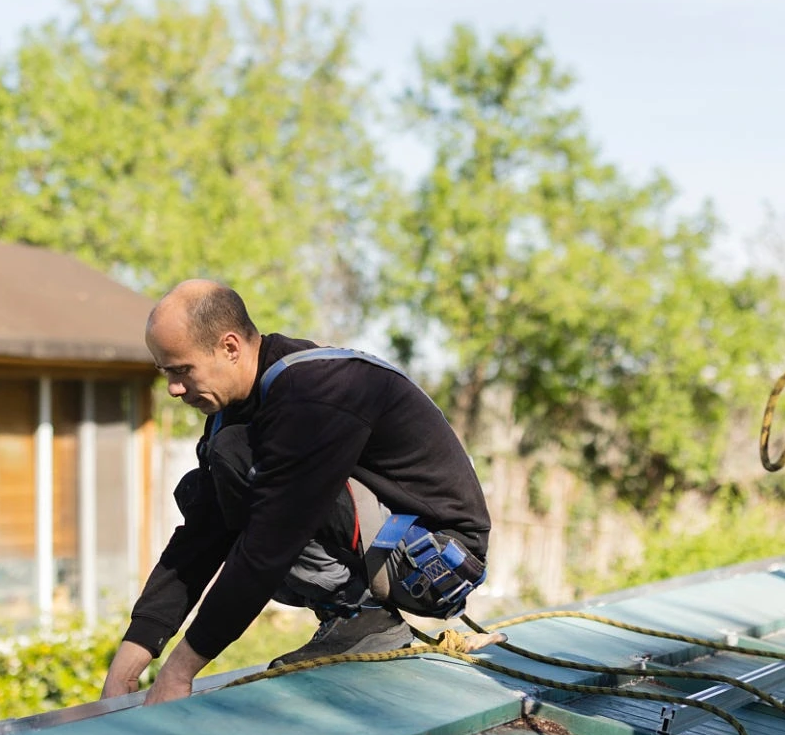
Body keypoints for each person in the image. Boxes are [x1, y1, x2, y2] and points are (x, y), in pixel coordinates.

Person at [101, 281, 492, 705]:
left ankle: (360, 616)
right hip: (389, 546)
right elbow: (200, 537)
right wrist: (133, 656)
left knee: (239, 464)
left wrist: (179, 673)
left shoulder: (316, 391)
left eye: (181, 370)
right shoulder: (235, 414)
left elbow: (272, 539)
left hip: (436, 560)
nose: (174, 389)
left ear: (229, 347)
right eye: (166, 373)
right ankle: (354, 615)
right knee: (206, 485)